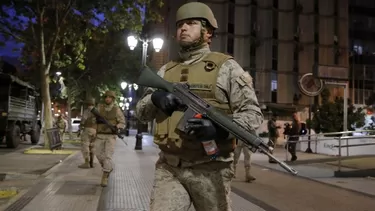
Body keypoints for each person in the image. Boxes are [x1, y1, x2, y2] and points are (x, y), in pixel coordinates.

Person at [135, 2, 263, 210]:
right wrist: (155, 99)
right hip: (170, 167)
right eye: (180, 25)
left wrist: (220, 130)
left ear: (208, 32)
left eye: (191, 23)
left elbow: (253, 115)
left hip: (211, 169)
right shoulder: (166, 70)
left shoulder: (227, 68)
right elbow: (141, 113)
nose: (183, 28)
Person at [94, 90, 125, 187]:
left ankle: (105, 175)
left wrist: (117, 127)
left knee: (108, 156)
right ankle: (108, 167)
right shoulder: (99, 108)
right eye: (106, 97)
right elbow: (92, 119)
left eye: (109, 97)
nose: (107, 99)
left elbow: (122, 122)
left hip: (110, 136)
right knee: (98, 154)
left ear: (113, 99)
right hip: (99, 135)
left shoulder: (116, 110)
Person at [78, 98, 97, 169]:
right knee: (92, 146)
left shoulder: (87, 110)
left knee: (85, 145)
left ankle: (87, 162)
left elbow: (83, 120)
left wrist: (80, 127)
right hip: (95, 130)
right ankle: (92, 162)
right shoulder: (96, 111)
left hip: (88, 129)